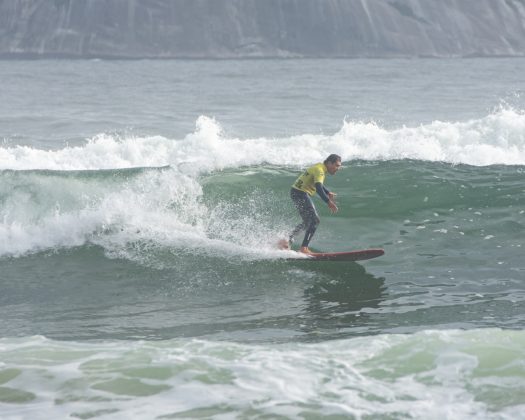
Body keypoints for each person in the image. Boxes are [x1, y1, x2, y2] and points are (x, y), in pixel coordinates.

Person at [280, 154, 342, 253]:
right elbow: (318, 188)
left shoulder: (319, 166)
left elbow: (318, 184)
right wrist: (328, 201)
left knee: (307, 222)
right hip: (300, 193)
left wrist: (327, 192)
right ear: (329, 163)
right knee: (314, 220)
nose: (338, 168)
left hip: (296, 192)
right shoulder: (320, 170)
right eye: (337, 165)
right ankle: (304, 248)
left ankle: (286, 239)